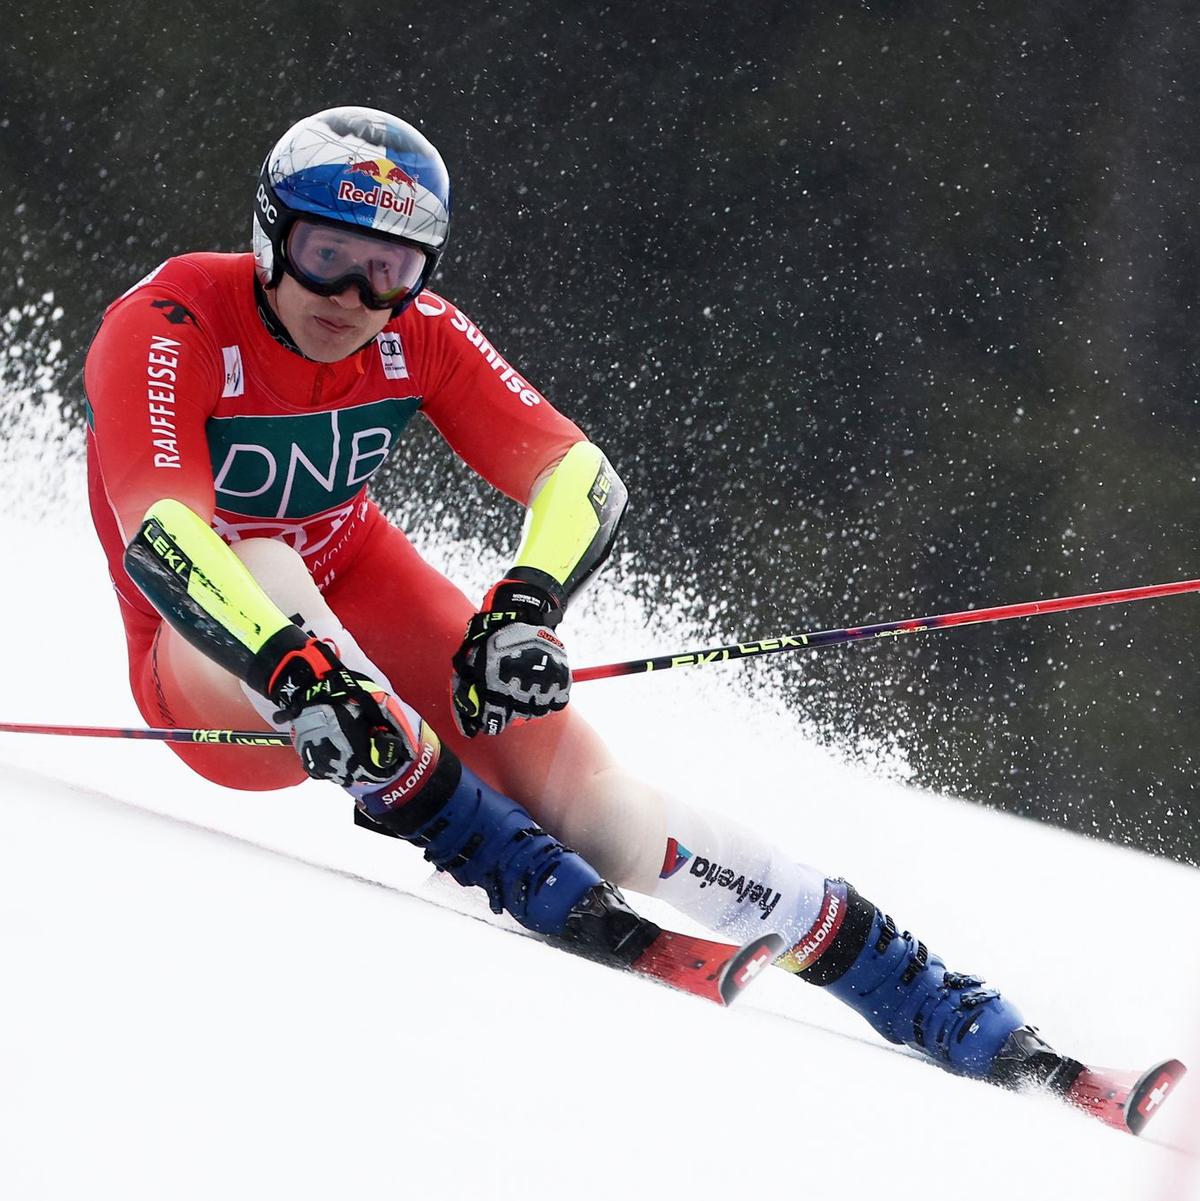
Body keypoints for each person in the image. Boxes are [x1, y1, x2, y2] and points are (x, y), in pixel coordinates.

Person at [86, 105, 1081, 1093]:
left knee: (602, 818)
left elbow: (578, 473)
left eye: (389, 268)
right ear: (272, 235)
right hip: (206, 662)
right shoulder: (173, 322)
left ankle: (915, 987)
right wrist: (291, 667)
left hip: (357, 591)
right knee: (267, 566)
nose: (351, 295)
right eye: (326, 254)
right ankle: (482, 842)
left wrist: (525, 605)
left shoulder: (418, 336)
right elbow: (164, 534)